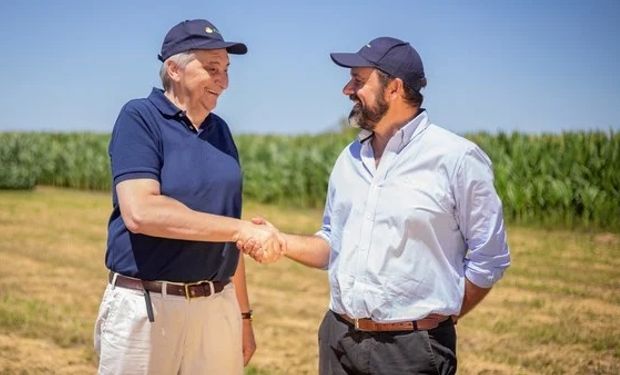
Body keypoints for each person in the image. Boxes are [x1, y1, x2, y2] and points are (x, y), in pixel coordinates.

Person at [240, 37, 511, 374]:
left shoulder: (457, 159)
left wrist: (437, 321)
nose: (347, 90)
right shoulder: (350, 158)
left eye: (358, 80)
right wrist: (281, 241)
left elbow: (489, 259)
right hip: (338, 339)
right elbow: (333, 243)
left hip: (411, 351)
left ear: (394, 88)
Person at [93, 19, 284, 375]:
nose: (224, 82)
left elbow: (226, 227)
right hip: (148, 307)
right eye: (212, 69)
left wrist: (243, 315)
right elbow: (141, 211)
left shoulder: (221, 131)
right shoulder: (140, 117)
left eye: (226, 70)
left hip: (216, 308)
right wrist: (243, 229)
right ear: (174, 69)